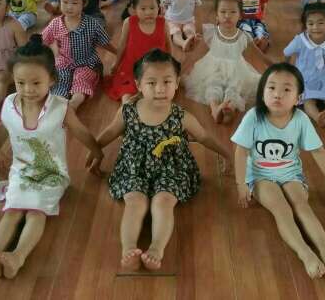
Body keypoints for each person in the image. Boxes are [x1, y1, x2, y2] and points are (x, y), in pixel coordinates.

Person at [0, 36, 103, 279]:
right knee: (12, 210)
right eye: (21, 83)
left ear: (51, 79)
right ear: (13, 79)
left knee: (35, 211)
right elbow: (3, 128)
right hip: (21, 171)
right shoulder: (9, 103)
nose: (28, 89)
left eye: (36, 83)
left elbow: (81, 132)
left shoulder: (61, 107)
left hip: (52, 173)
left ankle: (18, 256)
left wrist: (97, 152)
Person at [98, 49, 232, 271]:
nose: (160, 89)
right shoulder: (128, 110)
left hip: (171, 169)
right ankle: (128, 248)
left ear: (177, 83)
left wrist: (226, 154)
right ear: (138, 84)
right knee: (135, 201)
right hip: (134, 168)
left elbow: (204, 137)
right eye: (151, 83)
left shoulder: (181, 116)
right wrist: (95, 151)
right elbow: (110, 132)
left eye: (167, 82)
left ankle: (156, 249)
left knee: (164, 201)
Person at [232, 63, 325, 278]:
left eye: (286, 89)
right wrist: (241, 184)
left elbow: (318, 151)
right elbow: (241, 152)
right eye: (271, 87)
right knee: (281, 209)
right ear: (263, 91)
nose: (277, 94)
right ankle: (305, 253)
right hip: (260, 175)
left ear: (299, 98)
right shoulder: (253, 117)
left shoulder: (300, 119)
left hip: (291, 174)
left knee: (302, 206)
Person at [185, 0, 270, 123]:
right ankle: (215, 109)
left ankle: (230, 108)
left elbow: (258, 56)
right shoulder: (211, 34)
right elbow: (195, 56)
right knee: (212, 84)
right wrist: (180, 69)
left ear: (240, 15)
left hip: (237, 70)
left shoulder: (244, 36)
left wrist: (274, 66)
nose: (227, 16)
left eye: (232, 12)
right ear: (217, 15)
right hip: (213, 68)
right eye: (223, 12)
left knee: (235, 86)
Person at [42, 0, 116, 110]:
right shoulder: (55, 24)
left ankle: (73, 105)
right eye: (65, 2)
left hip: (87, 63)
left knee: (81, 80)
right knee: (60, 81)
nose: (69, 7)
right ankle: (56, 106)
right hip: (63, 62)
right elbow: (43, 40)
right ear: (59, 2)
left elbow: (105, 43)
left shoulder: (92, 24)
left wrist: (119, 53)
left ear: (84, 3)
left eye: (74, 3)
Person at [105, 0, 171, 103]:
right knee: (126, 93)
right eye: (143, 9)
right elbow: (122, 46)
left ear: (159, 7)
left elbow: (168, 46)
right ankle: (127, 107)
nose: (148, 12)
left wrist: (170, 67)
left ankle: (142, 97)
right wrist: (116, 63)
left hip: (156, 68)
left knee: (156, 93)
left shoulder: (163, 23)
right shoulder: (129, 22)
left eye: (152, 8)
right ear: (134, 9)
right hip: (131, 68)